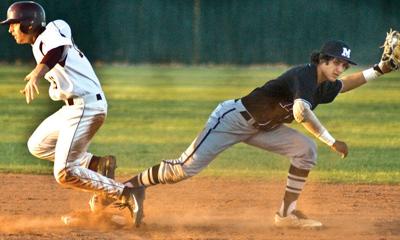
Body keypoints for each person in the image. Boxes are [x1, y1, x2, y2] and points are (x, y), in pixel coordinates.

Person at [122, 39, 393, 228]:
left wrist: (380, 70)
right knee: (183, 169)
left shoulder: (326, 84)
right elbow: (301, 113)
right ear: (321, 61)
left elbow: (347, 84)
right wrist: (332, 142)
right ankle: (129, 187)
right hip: (233, 120)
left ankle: (286, 215)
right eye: (335, 62)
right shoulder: (304, 76)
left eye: (344, 64)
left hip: (265, 127)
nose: (340, 68)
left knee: (305, 151)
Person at [1, 1, 144, 227]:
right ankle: (96, 165)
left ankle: (126, 193)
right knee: (37, 145)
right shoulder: (40, 41)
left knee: (65, 172)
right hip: (71, 109)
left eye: (13, 24)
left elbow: (56, 52)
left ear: (28, 24)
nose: (10, 29)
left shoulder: (55, 28)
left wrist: (38, 73)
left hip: (86, 107)